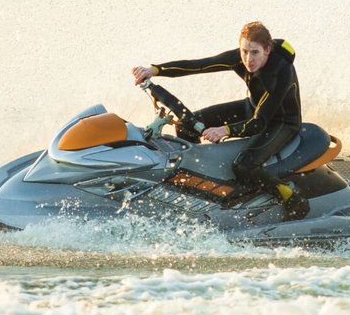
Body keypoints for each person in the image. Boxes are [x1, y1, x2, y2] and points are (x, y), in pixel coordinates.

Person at [132, 21, 308, 219]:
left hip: (281, 122)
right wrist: (155, 70)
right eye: (244, 51)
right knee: (188, 125)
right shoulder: (239, 58)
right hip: (252, 107)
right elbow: (198, 65)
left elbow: (259, 123)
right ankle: (197, 185)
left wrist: (225, 130)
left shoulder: (279, 73)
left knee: (243, 166)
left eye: (255, 53)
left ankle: (290, 196)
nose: (248, 59)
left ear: (267, 50)